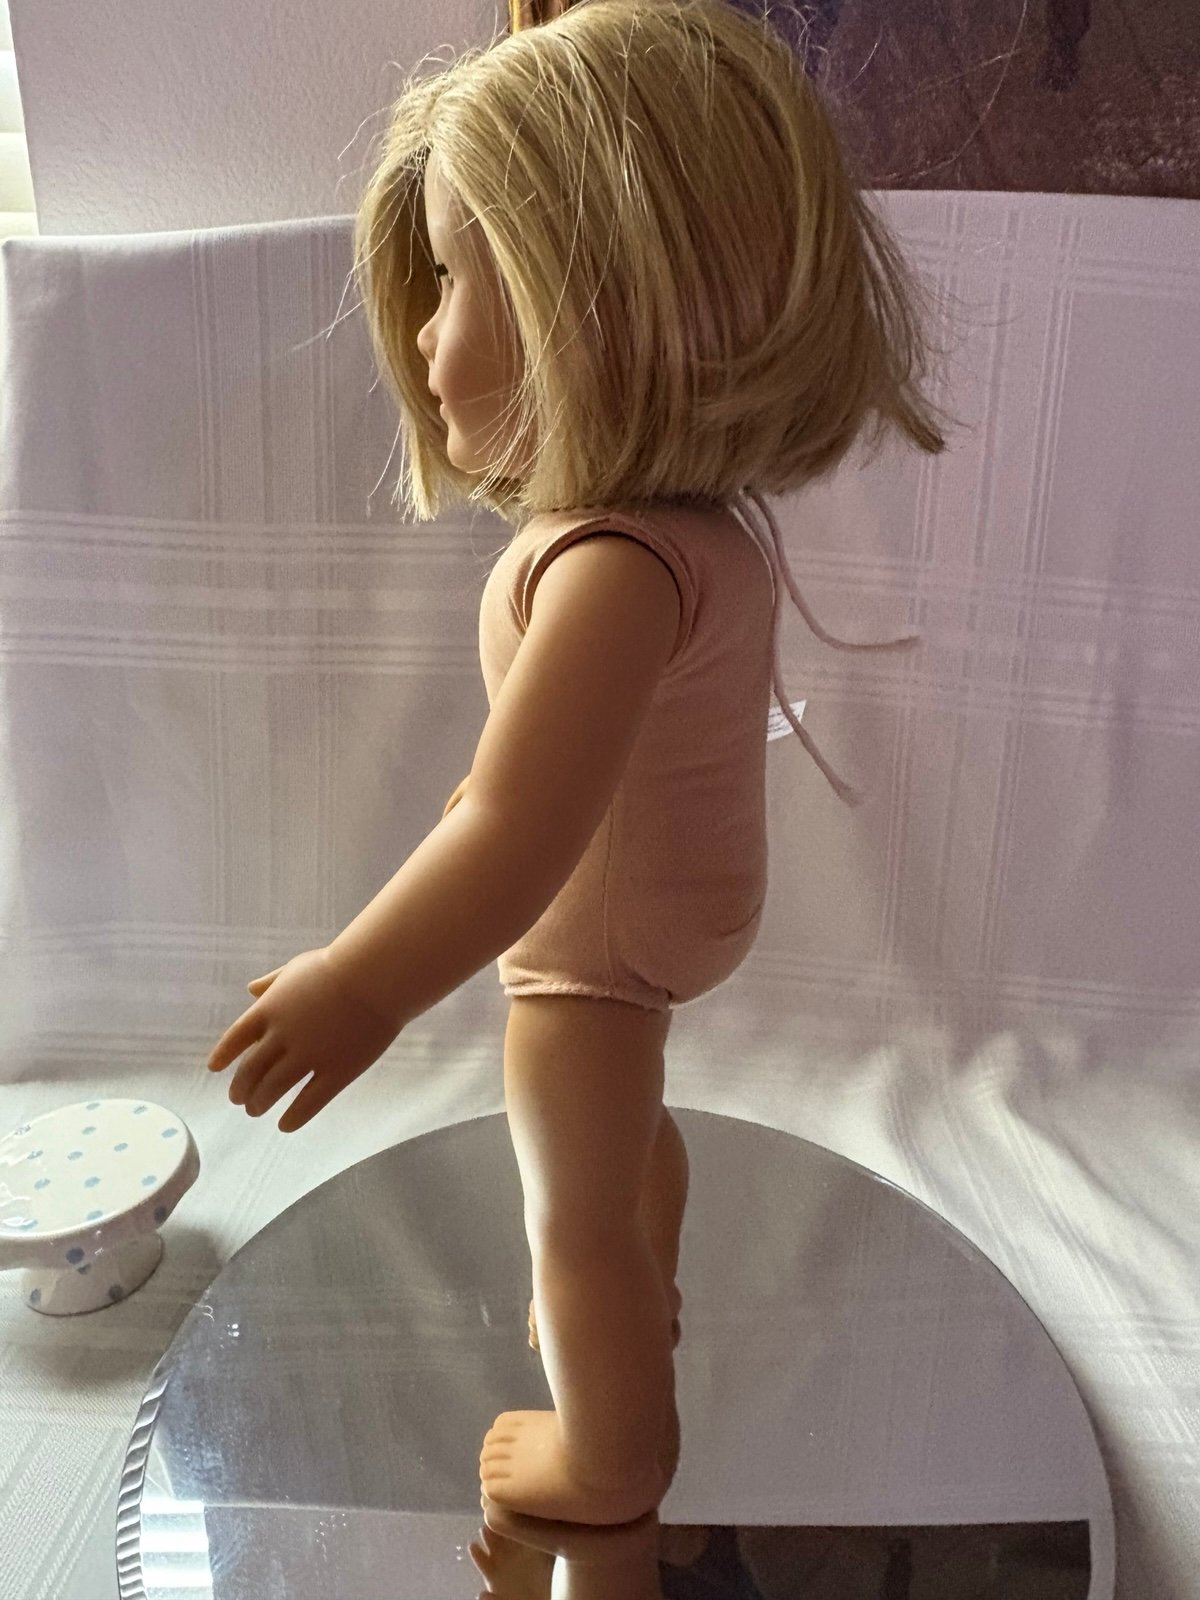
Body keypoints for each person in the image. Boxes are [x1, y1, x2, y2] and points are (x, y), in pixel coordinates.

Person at [208, 0, 962, 1544]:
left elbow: (518, 824)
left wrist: (362, 983)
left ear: (597, 306)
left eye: (459, 276)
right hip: (656, 911)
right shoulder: (682, 534)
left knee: (564, 1203)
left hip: (594, 951)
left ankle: (611, 1455)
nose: (427, 337)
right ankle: (647, 1263)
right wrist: (483, 830)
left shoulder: (612, 568)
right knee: (618, 1144)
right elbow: (558, 777)